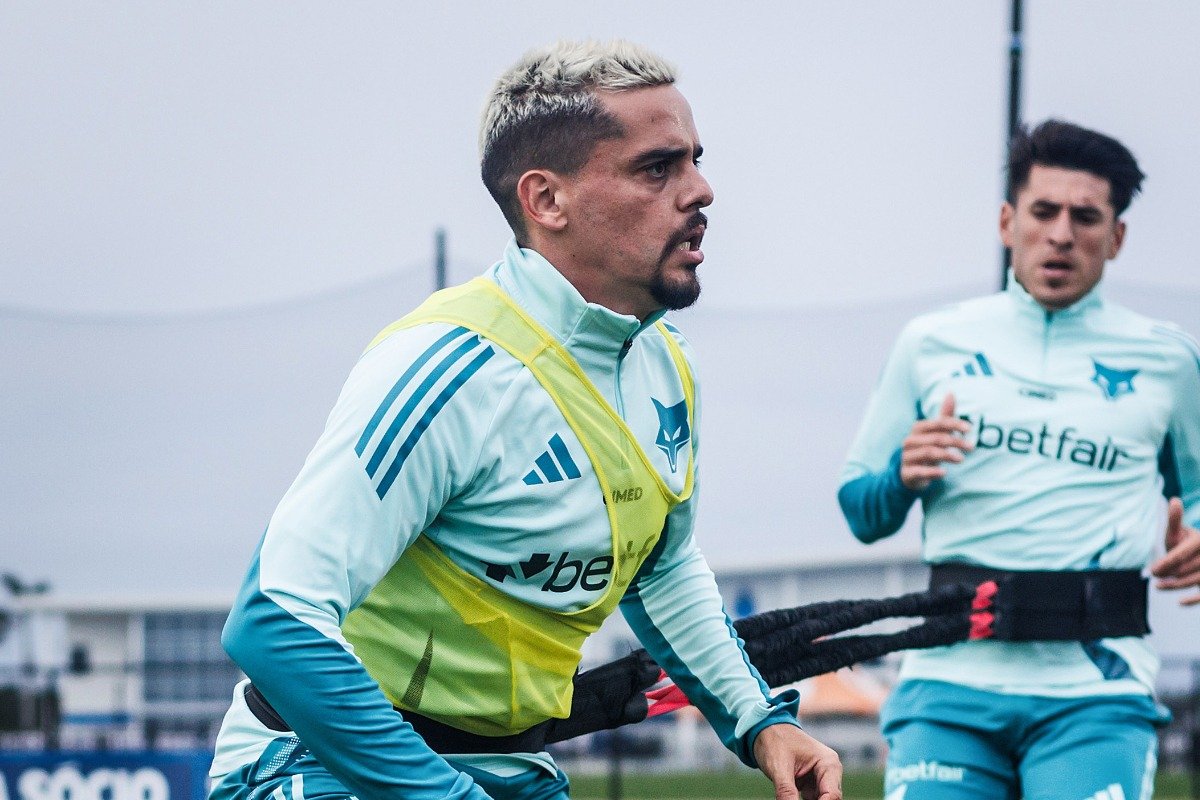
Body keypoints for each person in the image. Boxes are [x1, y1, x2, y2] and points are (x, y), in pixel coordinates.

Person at [207, 40, 842, 800]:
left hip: (512, 773)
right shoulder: (449, 368)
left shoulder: (666, 363)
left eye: (695, 161)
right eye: (657, 167)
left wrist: (760, 720)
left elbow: (663, 569)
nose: (701, 191)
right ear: (546, 201)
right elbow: (273, 619)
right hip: (313, 766)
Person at [838, 119, 1200, 799]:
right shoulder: (931, 342)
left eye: (1085, 216)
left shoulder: (1170, 359)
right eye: (1043, 212)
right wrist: (902, 477)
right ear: (1009, 222)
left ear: (1116, 236)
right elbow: (861, 508)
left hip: (1094, 694)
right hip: (947, 688)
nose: (1061, 233)